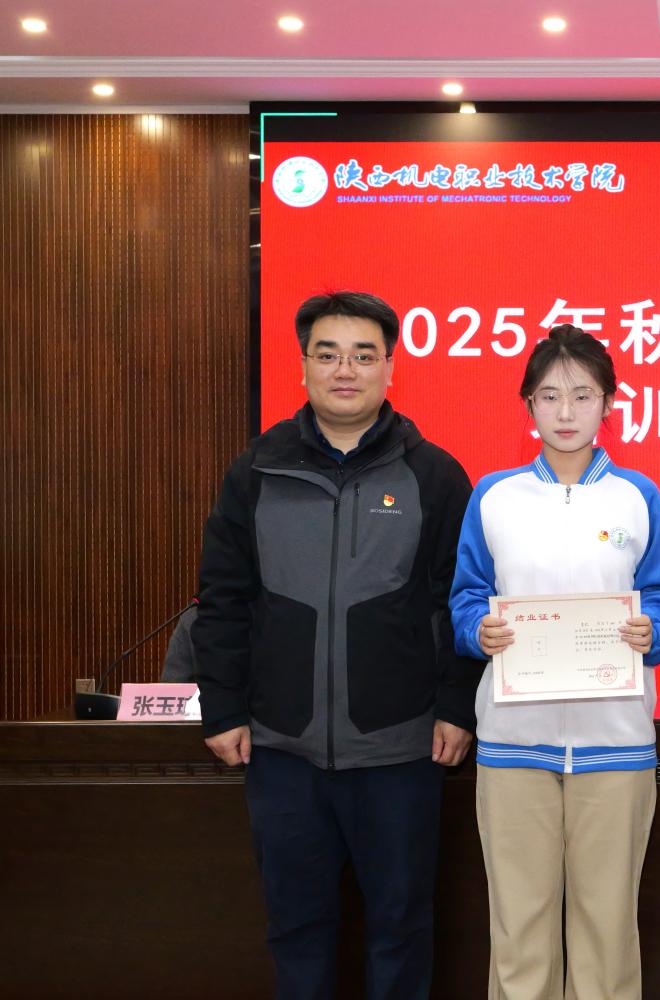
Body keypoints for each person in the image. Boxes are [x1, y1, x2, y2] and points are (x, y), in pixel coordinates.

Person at [193, 290, 476, 1000]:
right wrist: (222, 708)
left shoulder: (435, 475)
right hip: (281, 749)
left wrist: (456, 707)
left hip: (400, 751)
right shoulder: (256, 471)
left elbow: (458, 601)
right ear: (303, 367)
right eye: (328, 354)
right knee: (297, 929)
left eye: (363, 355)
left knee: (400, 928)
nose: (344, 370)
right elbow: (223, 600)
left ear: (390, 368)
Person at [449, 325, 660, 1000]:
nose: (565, 411)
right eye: (550, 396)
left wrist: (654, 628)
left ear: (608, 402)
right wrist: (477, 630)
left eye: (583, 395)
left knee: (607, 929)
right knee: (518, 930)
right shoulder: (495, 496)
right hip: (513, 742)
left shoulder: (637, 495)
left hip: (615, 741)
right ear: (528, 404)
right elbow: (465, 596)